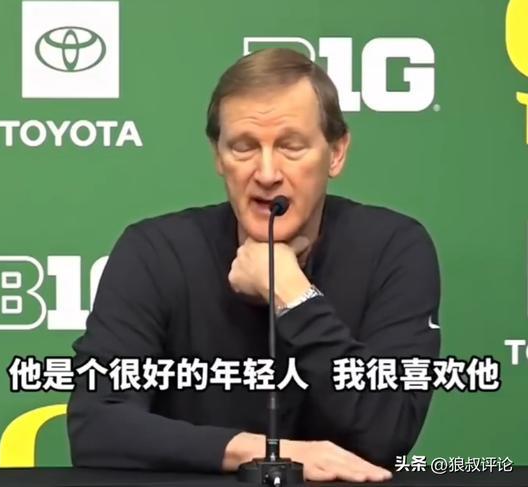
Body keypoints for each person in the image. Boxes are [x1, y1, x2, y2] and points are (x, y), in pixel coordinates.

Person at [67, 48, 441, 483]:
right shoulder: (154, 251)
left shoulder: (393, 248)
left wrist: (292, 294)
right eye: (244, 147)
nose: (266, 173)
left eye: (291, 146)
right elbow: (96, 425)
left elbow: (389, 428)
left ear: (336, 153)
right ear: (218, 156)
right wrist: (269, 454)